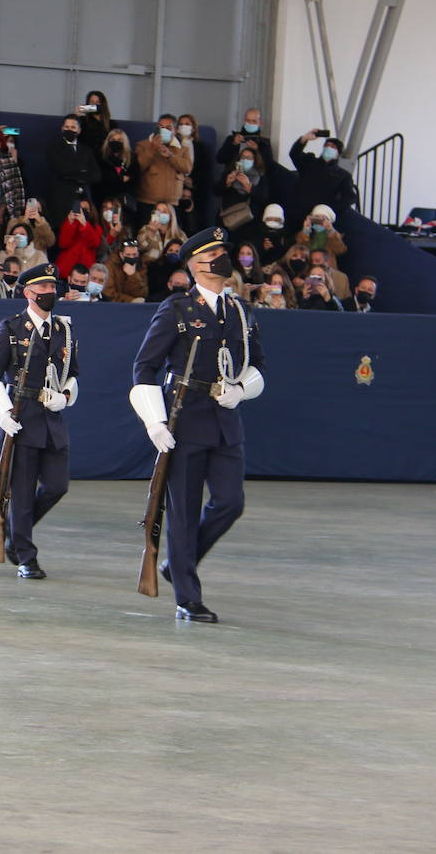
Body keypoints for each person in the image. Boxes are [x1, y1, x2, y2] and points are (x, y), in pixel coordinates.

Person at [130, 226, 267, 623]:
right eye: (216, 253)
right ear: (196, 265)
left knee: (230, 502)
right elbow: (145, 368)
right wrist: (155, 422)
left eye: (225, 251)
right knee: (184, 512)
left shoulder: (240, 310)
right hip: (184, 417)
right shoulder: (177, 309)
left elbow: (258, 364)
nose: (224, 258)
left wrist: (242, 390)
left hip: (225, 418)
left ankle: (179, 563)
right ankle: (188, 597)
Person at [0, 263, 80, 579]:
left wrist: (65, 396)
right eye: (44, 289)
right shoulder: (10, 328)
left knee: (56, 486)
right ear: (28, 293)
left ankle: (14, 533)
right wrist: (3, 413)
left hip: (51, 419)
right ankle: (26, 556)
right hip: (21, 418)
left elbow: (72, 373)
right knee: (21, 493)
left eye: (53, 288)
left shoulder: (64, 329)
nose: (50, 293)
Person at [134, 114, 193, 226]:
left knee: (171, 236)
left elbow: (187, 167)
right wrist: (152, 149)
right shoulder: (143, 145)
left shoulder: (182, 148)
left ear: (175, 130)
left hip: (172, 204)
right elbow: (138, 167)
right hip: (148, 203)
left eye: (168, 128)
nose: (164, 130)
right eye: (161, 127)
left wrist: (170, 156)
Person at [46, 113, 100, 227]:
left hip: (83, 199)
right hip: (62, 200)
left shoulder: (86, 150)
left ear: (79, 130)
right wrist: (83, 172)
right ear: (62, 128)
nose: (69, 130)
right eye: (67, 127)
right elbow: (62, 170)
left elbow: (96, 175)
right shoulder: (54, 148)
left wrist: (74, 175)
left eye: (73, 127)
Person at [289, 129, 357, 219]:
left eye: (333, 147)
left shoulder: (343, 175)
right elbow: (294, 154)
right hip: (298, 212)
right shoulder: (309, 161)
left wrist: (329, 210)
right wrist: (305, 138)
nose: (328, 148)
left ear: (338, 153)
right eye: (327, 146)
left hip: (320, 218)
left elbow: (349, 198)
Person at [216, 107, 275, 172]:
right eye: (248, 121)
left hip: (255, 178)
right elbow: (220, 159)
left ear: (260, 123)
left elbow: (269, 166)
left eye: (254, 121)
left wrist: (257, 150)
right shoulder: (232, 139)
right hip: (232, 176)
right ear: (244, 121)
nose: (251, 124)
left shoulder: (264, 143)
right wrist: (234, 144)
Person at [55, 199, 102, 277]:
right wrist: (70, 222)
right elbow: (63, 244)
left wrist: (84, 225)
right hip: (66, 272)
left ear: (91, 211)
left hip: (85, 273)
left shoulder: (96, 228)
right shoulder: (68, 224)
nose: (82, 211)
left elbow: (95, 243)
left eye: (85, 209)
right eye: (80, 208)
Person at [294, 204, 348, 269]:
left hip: (327, 270)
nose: (319, 220)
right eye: (317, 217)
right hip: (308, 269)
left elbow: (340, 250)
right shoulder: (306, 233)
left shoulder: (334, 236)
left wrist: (330, 230)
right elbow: (299, 247)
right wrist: (306, 230)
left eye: (323, 218)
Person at [92, 128, 134, 206]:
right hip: (102, 197)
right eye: (113, 139)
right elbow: (99, 177)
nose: (116, 142)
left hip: (123, 200)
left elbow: (133, 178)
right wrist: (121, 179)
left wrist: (114, 179)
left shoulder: (131, 158)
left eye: (119, 140)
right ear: (108, 141)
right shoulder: (100, 156)